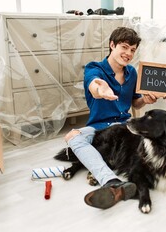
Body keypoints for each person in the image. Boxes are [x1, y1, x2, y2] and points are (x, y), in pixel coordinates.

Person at [64, 27, 158, 209]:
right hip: (99, 127)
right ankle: (111, 181)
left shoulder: (132, 73)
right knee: (72, 137)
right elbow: (94, 84)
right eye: (124, 47)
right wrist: (101, 90)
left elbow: (135, 103)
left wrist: (144, 100)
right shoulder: (95, 68)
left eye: (132, 50)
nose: (128, 53)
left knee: (159, 143)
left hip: (124, 128)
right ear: (112, 45)